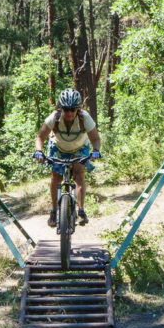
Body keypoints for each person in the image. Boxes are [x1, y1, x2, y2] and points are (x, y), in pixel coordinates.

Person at [32, 88, 102, 227]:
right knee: (56, 178)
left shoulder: (85, 117)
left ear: (78, 109)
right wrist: (38, 151)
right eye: (66, 109)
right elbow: (40, 137)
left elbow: (95, 139)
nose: (69, 112)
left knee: (79, 175)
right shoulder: (54, 118)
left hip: (79, 148)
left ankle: (81, 211)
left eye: (73, 109)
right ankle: (53, 210)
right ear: (61, 108)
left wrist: (96, 151)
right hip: (58, 148)